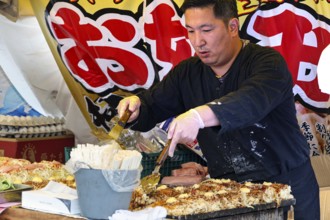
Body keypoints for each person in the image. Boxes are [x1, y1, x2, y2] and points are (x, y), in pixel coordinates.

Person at [117, 0, 320, 219]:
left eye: (206, 30)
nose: (198, 41)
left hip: (286, 185)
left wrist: (197, 116)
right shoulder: (188, 73)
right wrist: (135, 107)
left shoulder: (267, 63)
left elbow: (250, 101)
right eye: (191, 31)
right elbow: (152, 105)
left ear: (232, 27)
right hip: (227, 192)